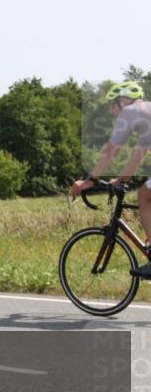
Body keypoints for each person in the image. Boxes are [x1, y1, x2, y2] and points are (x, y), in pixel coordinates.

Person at [70, 80, 151, 278]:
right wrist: (122, 179)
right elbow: (139, 154)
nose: (113, 112)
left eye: (112, 106)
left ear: (122, 101)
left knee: (144, 196)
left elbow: (111, 152)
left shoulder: (130, 112)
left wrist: (89, 180)